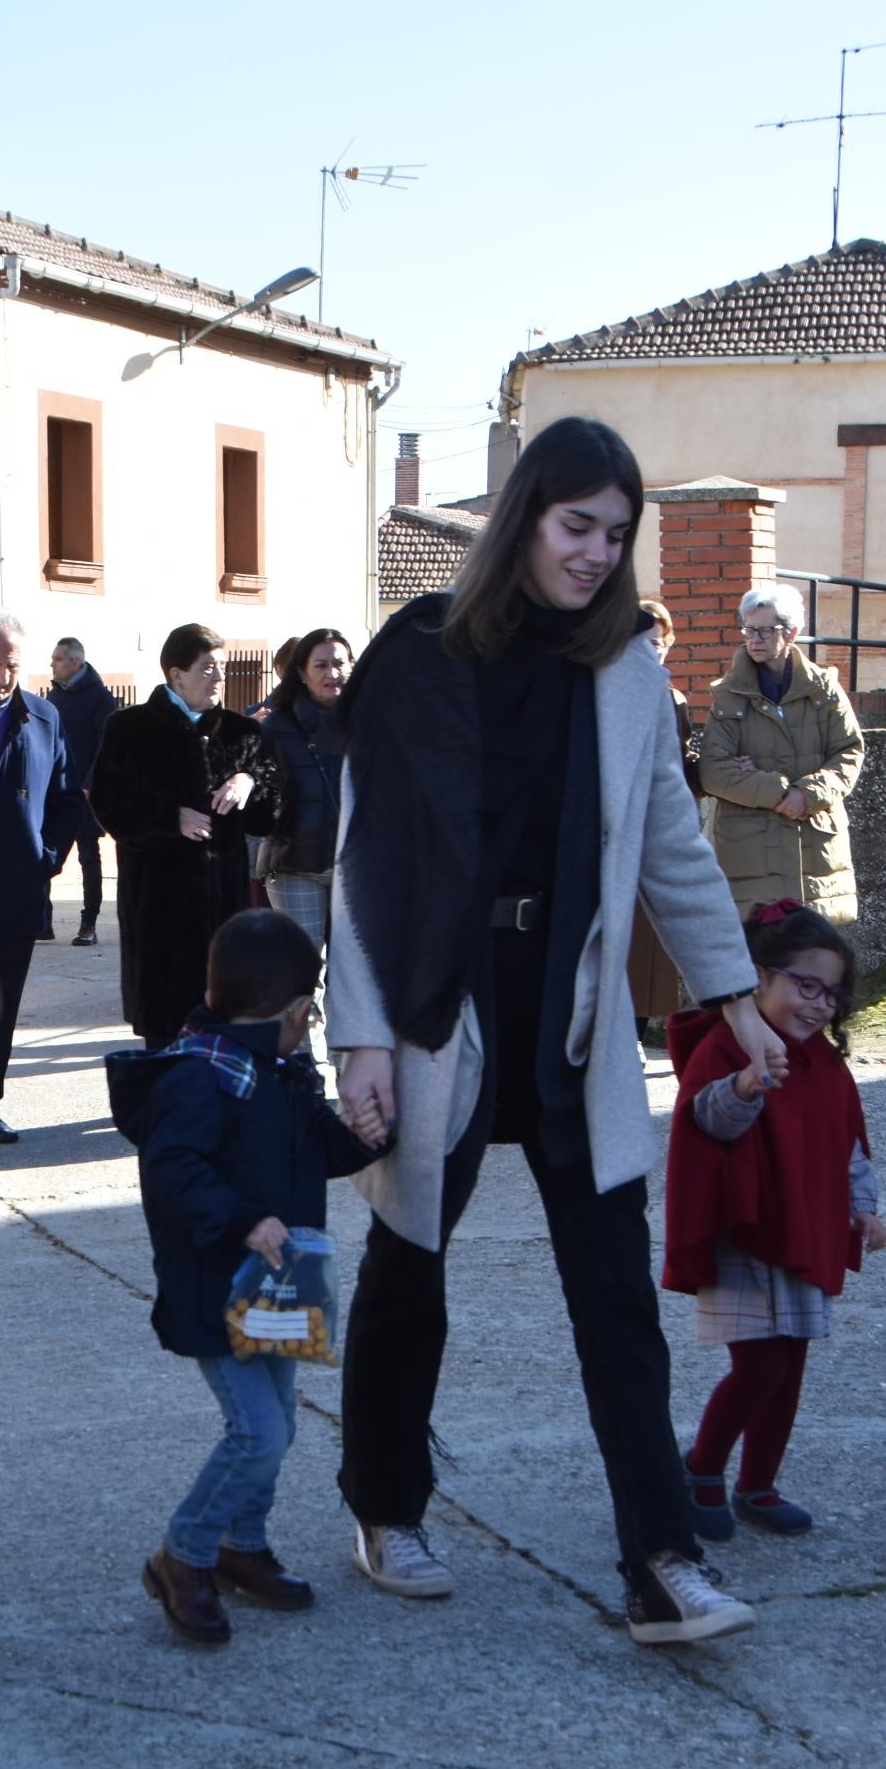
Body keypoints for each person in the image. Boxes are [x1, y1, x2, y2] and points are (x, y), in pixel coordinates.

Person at [330, 414, 780, 1646]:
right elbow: (364, 855)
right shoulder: (419, 652)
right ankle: (383, 1503)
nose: (594, 553)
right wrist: (359, 1034)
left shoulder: (626, 665)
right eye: (577, 525)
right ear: (525, 515)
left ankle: (661, 1558)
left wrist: (733, 993)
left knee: (612, 1291)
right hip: (440, 999)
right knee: (408, 1265)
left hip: (568, 1006)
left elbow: (675, 846)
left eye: (616, 536)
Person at [107, 910, 380, 1646]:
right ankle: (184, 1554)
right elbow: (172, 1170)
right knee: (256, 1431)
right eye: (313, 1010)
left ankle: (243, 1546)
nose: (312, 1024)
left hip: (277, 1290)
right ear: (294, 1012)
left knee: (280, 1425)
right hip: (217, 1287)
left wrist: (362, 1138)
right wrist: (241, 1219)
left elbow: (316, 1149)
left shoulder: (280, 1072)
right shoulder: (200, 1077)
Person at [663, 901, 884, 1541]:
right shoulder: (725, 1048)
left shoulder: (827, 1067)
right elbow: (705, 1123)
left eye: (833, 993)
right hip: (745, 1234)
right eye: (805, 985)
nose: (819, 1005)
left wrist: (862, 1207)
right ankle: (701, 1469)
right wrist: (744, 1089)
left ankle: (757, 1484)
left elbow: (848, 1145)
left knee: (790, 1368)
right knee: (759, 1368)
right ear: (757, 977)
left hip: (803, 1231)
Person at [89, 623, 283, 1048]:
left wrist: (250, 782)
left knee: (224, 1022)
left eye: (223, 668)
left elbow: (267, 815)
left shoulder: (241, 732)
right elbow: (108, 803)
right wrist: (169, 818)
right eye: (208, 668)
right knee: (166, 1027)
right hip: (159, 904)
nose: (220, 678)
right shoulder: (130, 728)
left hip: (224, 906)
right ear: (176, 675)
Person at [0, 607, 76, 1156]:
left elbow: (68, 797)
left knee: (0, 1005)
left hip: (17, 889)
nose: (2, 676)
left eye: (12, 665)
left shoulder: (43, 717)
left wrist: (46, 856)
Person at [698, 584, 862, 921]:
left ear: (792, 633)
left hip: (815, 848)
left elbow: (848, 753)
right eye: (748, 629)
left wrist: (808, 794)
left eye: (765, 630)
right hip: (751, 855)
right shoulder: (728, 695)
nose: (754, 638)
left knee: (812, 960)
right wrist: (779, 792)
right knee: (759, 961)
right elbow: (713, 770)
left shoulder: (823, 689)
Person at [252, 628, 350, 966]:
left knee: (352, 975)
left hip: (353, 868)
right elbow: (254, 785)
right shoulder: (276, 726)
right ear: (301, 673)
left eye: (339, 663)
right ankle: (302, 1022)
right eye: (320, 665)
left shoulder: (369, 723)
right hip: (294, 865)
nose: (331, 673)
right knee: (302, 974)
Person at [626, 598, 701, 1031]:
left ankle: (639, 1030)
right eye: (643, 641)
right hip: (620, 828)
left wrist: (710, 768)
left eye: (659, 642)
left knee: (653, 943)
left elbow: (682, 756)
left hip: (662, 828)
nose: (653, 650)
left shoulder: (673, 698)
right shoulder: (609, 691)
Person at [46, 637, 120, 946]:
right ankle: (42, 921)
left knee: (89, 857)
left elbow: (108, 744)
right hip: (56, 791)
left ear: (75, 662)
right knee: (45, 853)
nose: (52, 664)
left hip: (86, 792)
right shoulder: (53, 696)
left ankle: (88, 924)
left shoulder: (100, 698)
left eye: (58, 659)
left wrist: (91, 782)